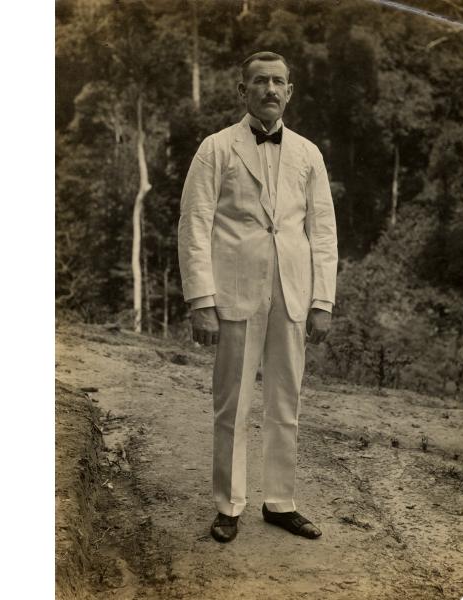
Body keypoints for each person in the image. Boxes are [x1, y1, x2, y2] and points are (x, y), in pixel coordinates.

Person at [178, 51, 338, 543]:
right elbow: (194, 225)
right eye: (260, 81)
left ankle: (280, 501)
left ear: (289, 91)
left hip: (292, 292)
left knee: (284, 401)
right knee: (233, 403)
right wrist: (201, 299)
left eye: (278, 82)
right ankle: (229, 505)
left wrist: (322, 300)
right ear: (242, 89)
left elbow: (323, 230)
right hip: (235, 294)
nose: (270, 89)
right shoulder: (216, 148)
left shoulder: (308, 154)